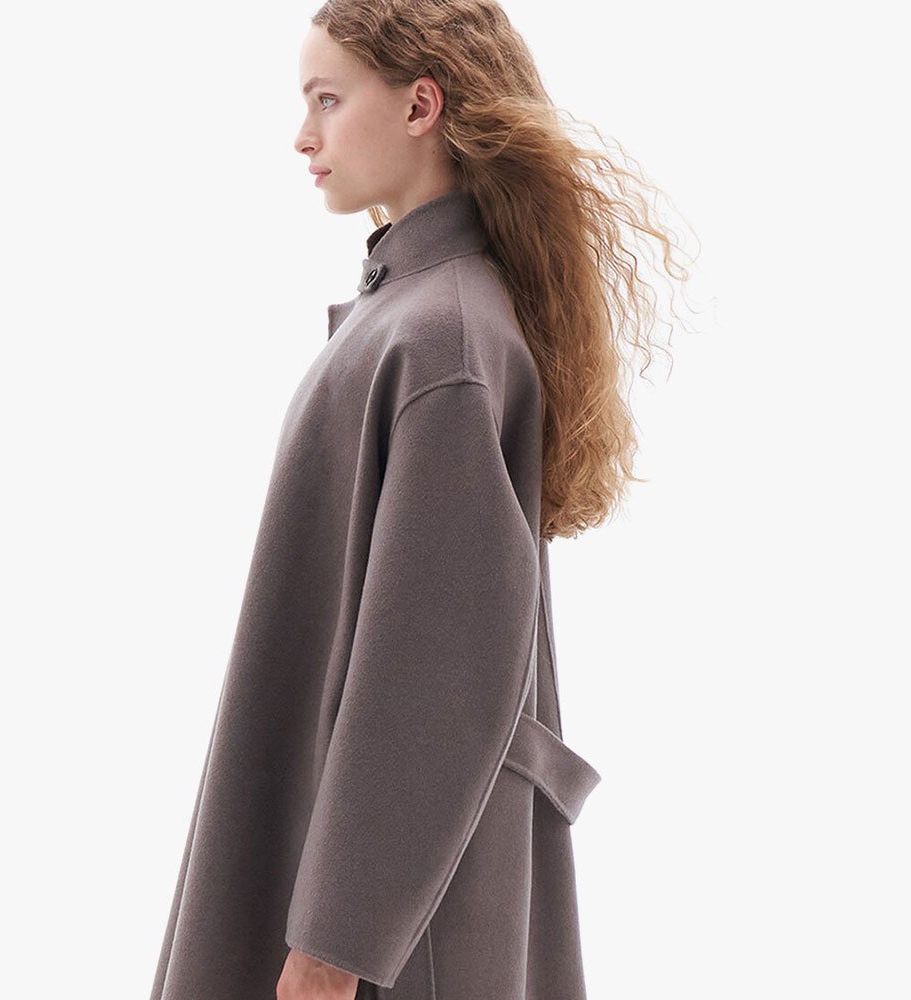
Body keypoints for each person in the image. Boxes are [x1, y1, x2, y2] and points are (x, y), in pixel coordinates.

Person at [149, 3, 694, 999]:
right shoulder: (416, 317)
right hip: (371, 883)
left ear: (419, 106)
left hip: (390, 928)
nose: (303, 135)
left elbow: (438, 674)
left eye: (327, 100)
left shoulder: (441, 336)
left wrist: (333, 950)